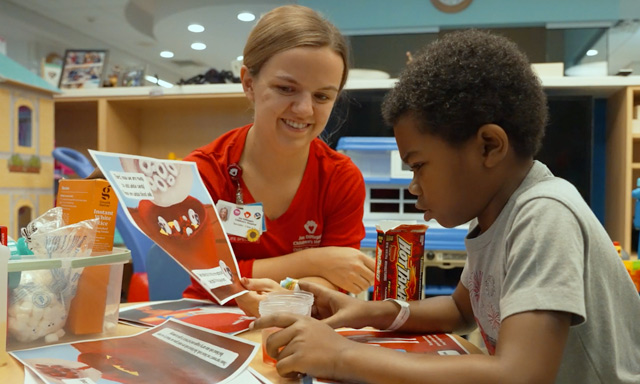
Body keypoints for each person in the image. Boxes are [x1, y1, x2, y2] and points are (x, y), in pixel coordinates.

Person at [252, 30, 640, 383]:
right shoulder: (496, 215)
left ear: (489, 146)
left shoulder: (544, 214)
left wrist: (341, 356)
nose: (413, 186)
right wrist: (367, 312)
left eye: (419, 165)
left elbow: (520, 375)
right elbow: (459, 310)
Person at [182, 5, 375, 315]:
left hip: (301, 330)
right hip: (209, 323)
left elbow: (341, 281)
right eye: (286, 89)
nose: (304, 109)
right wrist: (313, 262)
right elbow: (208, 277)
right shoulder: (205, 171)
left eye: (322, 96)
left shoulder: (341, 178)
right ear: (248, 83)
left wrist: (282, 295)